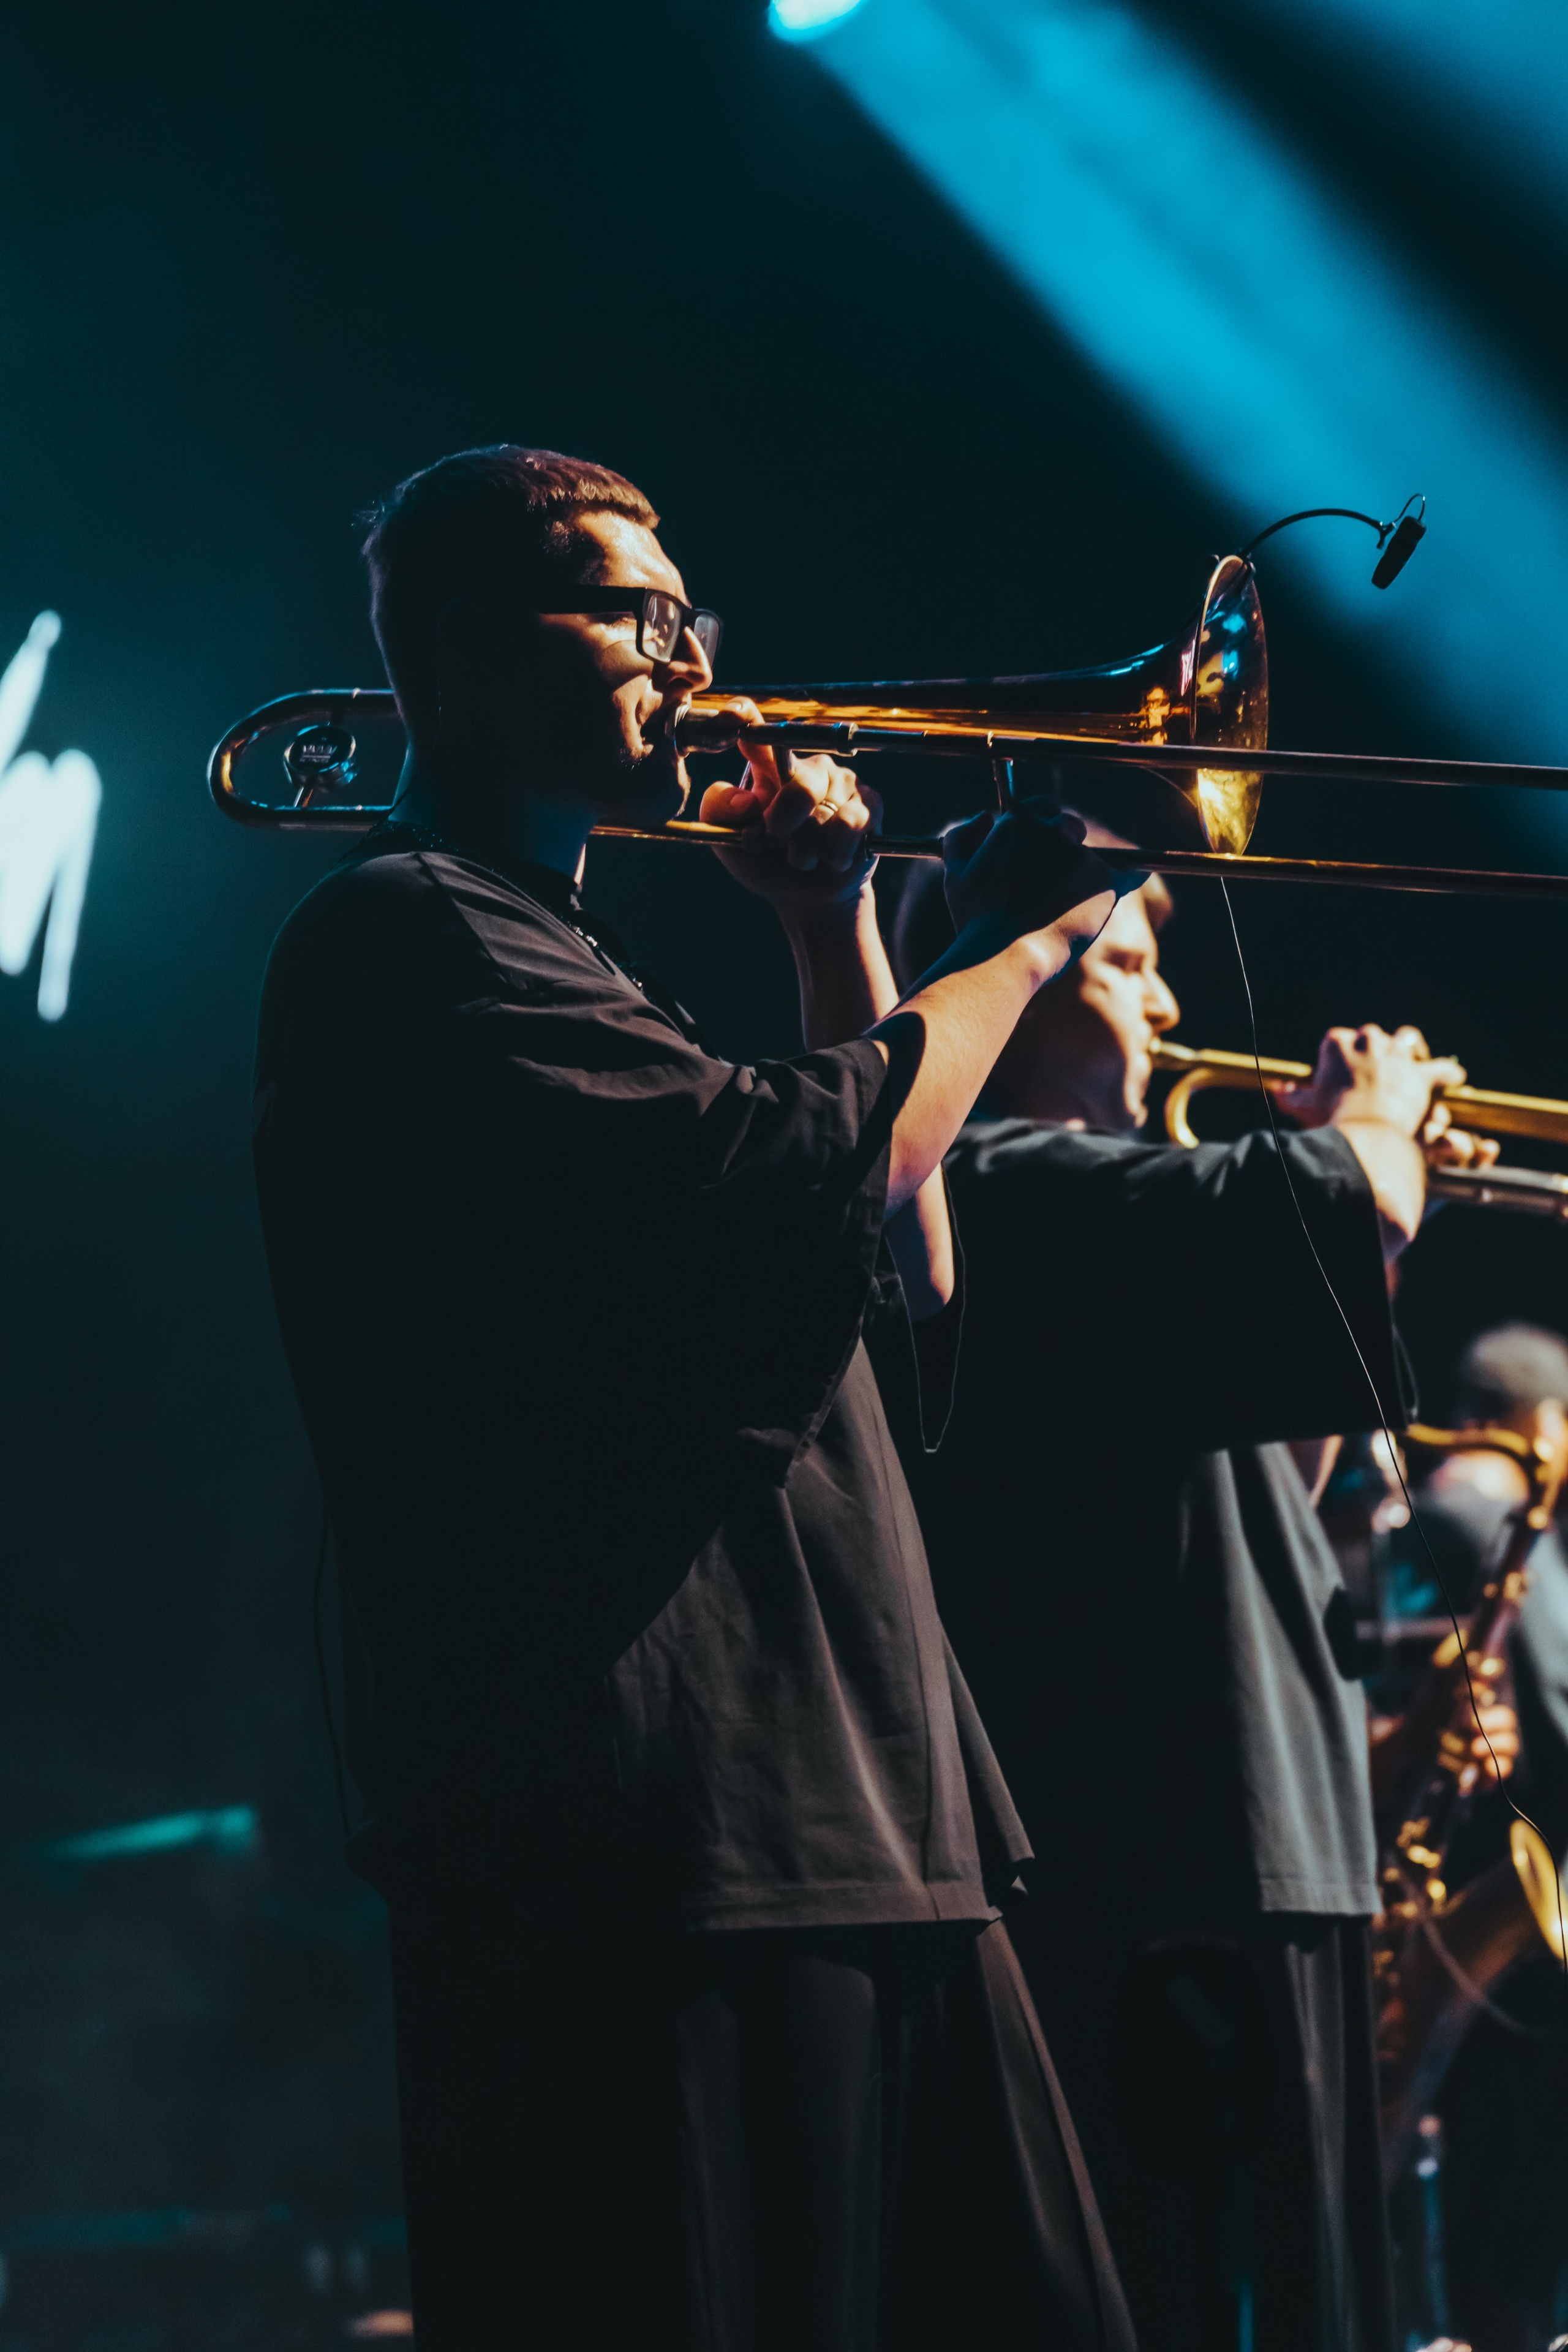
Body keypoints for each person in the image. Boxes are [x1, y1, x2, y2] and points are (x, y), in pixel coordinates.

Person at [250, 444, 1139, 2351]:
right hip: (663, 1853)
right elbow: (817, 1154)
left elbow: (905, 1264)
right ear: (471, 659)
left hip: (869, 1804)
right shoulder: (403, 937)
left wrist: (837, 928)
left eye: (688, 617)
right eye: (632, 613)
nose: (687, 656)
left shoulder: (574, 952)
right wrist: (1013, 958)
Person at [886, 845, 1481, 2352]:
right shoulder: (996, 1184)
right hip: (1162, 1879)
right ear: (1013, 986)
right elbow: (1344, 1201)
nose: (1171, 1001)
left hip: (1268, 1853)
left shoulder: (1121, 1214)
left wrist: (1357, 1245)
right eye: (1127, 967)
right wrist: (1364, 1139)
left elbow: (1277, 1470)